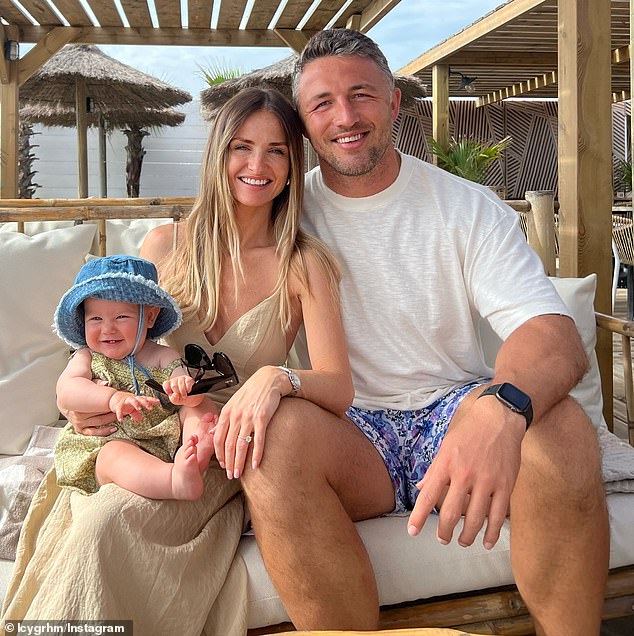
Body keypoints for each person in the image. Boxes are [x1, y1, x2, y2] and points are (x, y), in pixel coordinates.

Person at [238, 28, 609, 634]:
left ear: (394, 102)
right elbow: (197, 289)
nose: (346, 117)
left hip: (451, 408)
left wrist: (501, 407)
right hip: (348, 426)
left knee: (563, 428)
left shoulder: (467, 207)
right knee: (272, 444)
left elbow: (552, 334)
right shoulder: (281, 212)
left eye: (361, 95)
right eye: (322, 104)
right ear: (304, 124)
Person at [2, 86, 352, 634]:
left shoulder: (303, 265)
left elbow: (337, 386)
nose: (257, 165)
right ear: (218, 154)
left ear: (293, 164)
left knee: (105, 527)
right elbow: (96, 350)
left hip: (214, 453)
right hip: (131, 435)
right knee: (88, 519)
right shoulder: (165, 246)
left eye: (277, 150)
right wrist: (78, 404)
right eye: (241, 146)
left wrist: (274, 379)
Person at [53, 254, 216, 500]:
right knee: (114, 456)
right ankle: (173, 481)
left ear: (149, 317)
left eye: (121, 317)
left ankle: (197, 450)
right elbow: (67, 391)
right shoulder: (87, 357)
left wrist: (183, 389)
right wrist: (112, 398)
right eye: (95, 318)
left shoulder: (163, 356)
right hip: (109, 440)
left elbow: (188, 394)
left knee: (201, 407)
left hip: (163, 439)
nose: (107, 328)